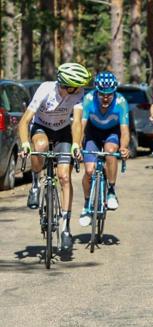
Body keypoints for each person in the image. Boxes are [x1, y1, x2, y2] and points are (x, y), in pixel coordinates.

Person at [17, 62, 92, 251]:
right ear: (66, 84)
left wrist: (76, 144)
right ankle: (35, 184)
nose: (80, 89)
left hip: (62, 131)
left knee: (65, 177)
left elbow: (76, 123)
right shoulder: (46, 90)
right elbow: (24, 121)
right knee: (40, 146)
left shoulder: (78, 94)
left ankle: (66, 228)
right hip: (42, 127)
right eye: (77, 85)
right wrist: (26, 143)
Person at [79, 71, 130, 227]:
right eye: (102, 94)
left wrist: (123, 148)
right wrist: (77, 146)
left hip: (111, 133)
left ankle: (111, 191)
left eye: (109, 94)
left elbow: (125, 130)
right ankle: (87, 205)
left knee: (110, 152)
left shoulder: (121, 102)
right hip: (92, 133)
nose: (106, 98)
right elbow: (80, 127)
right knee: (88, 171)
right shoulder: (88, 99)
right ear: (96, 92)